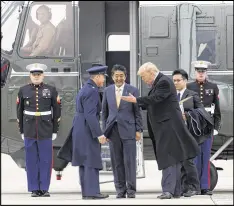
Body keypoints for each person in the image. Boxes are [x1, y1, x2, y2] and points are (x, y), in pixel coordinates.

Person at [121, 62, 200, 199]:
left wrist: (136, 100)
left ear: (151, 72)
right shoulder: (160, 82)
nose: (144, 80)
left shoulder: (164, 82)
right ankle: (175, 191)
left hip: (168, 127)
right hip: (167, 126)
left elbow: (156, 98)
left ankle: (168, 191)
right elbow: (156, 102)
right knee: (174, 157)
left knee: (168, 157)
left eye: (144, 76)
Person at [16, 63, 61, 197]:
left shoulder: (51, 90)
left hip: (45, 128)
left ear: (43, 75)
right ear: (30, 76)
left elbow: (57, 111)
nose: (36, 77)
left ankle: (44, 188)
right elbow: (19, 112)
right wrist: (22, 131)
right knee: (31, 160)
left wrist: (54, 130)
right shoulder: (23, 90)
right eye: (34, 75)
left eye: (38, 75)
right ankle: (34, 188)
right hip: (29, 128)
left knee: (46, 160)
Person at [101, 64, 143, 198]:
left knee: (129, 161)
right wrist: (105, 131)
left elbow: (138, 112)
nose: (119, 78)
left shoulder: (133, 90)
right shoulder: (107, 91)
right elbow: (104, 113)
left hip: (129, 130)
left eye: (121, 76)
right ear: (112, 77)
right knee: (116, 162)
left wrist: (138, 130)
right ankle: (120, 190)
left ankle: (131, 191)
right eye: (116, 76)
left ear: (125, 77)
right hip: (113, 131)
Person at [71, 65, 109, 200]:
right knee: (91, 159)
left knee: (84, 160)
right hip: (87, 128)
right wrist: (99, 134)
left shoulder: (85, 88)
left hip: (79, 127)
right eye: (103, 77)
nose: (104, 80)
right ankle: (93, 192)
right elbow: (91, 115)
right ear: (98, 77)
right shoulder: (92, 91)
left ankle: (87, 192)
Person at [172, 69, 212, 197]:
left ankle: (195, 187)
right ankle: (182, 187)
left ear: (185, 81)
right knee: (180, 162)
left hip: (190, 133)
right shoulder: (171, 96)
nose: (176, 83)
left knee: (189, 161)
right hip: (176, 133)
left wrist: (188, 116)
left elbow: (201, 111)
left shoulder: (192, 95)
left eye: (178, 80)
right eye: (174, 81)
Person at [187, 60, 222, 195]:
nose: (201, 74)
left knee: (205, 157)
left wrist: (216, 126)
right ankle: (195, 187)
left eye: (203, 71)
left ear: (206, 73)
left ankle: (205, 186)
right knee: (195, 157)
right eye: (198, 71)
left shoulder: (213, 87)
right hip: (194, 126)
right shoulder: (189, 87)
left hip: (208, 126)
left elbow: (217, 109)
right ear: (195, 72)